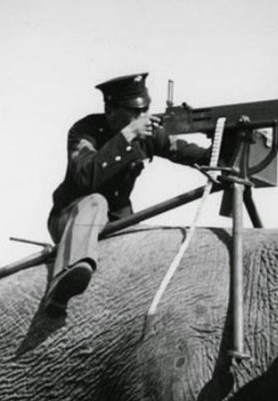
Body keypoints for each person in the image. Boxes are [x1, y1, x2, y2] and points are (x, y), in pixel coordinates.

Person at [44, 72, 221, 315]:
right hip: (71, 219)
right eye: (135, 113)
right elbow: (87, 177)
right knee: (96, 201)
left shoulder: (147, 134)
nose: (143, 118)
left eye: (145, 110)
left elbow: (196, 156)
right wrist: (127, 135)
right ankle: (67, 278)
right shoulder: (85, 131)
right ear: (111, 111)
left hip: (117, 223)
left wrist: (230, 137)